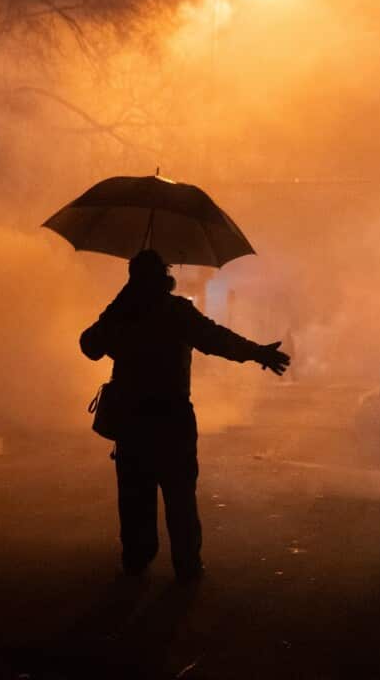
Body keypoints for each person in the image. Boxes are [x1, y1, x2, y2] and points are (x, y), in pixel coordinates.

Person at [80, 249, 290, 582]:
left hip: (133, 421)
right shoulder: (175, 312)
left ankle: (137, 559)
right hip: (171, 418)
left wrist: (118, 304)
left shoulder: (123, 313)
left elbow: (89, 346)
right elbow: (218, 340)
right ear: (164, 278)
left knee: (135, 496)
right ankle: (187, 565)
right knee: (179, 498)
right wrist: (258, 353)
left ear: (132, 279)